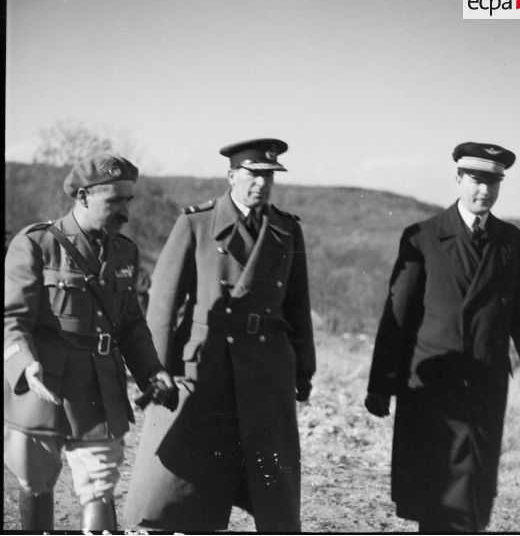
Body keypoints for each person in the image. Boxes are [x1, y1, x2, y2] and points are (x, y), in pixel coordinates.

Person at [123, 138, 316, 532]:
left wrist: (303, 369)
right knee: (192, 477)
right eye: (253, 175)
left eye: (268, 176)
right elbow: (164, 299)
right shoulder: (197, 222)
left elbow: (297, 304)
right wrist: (157, 369)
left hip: (266, 366)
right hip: (207, 363)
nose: (261, 184)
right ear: (232, 176)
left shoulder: (286, 229)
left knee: (269, 478)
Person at [364, 141, 520, 533]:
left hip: (484, 386)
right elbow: (397, 317)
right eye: (475, 181)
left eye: (493, 182)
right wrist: (381, 386)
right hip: (432, 387)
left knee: (472, 499)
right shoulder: (424, 236)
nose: (484, 190)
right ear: (458, 179)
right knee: (434, 497)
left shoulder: (511, 241)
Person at [4, 153, 178, 531]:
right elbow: (12, 319)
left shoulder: (124, 252)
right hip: (42, 383)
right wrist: (24, 365)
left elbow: (131, 324)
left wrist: (153, 370)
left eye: (128, 201)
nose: (125, 212)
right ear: (82, 196)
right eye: (114, 201)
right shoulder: (36, 245)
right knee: (35, 481)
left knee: (100, 485)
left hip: (99, 386)